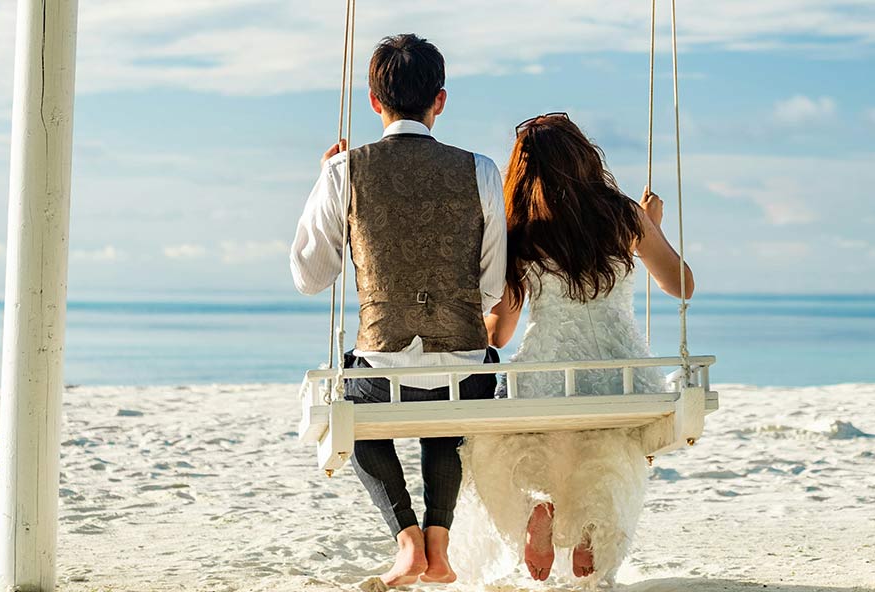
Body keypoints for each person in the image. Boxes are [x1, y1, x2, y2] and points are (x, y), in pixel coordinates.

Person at [289, 33, 506, 587]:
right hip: (465, 370)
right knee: (454, 392)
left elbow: (310, 278)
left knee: (350, 403)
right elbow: (492, 287)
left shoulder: (345, 171)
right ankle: (439, 542)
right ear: (441, 99)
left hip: (382, 373)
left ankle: (407, 542)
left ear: (372, 100)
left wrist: (326, 181)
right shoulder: (480, 170)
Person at [461, 113, 695, 584]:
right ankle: (591, 532)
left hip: (547, 371)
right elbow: (682, 284)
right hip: (623, 373)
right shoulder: (624, 215)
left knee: (488, 448)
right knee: (616, 448)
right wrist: (651, 229)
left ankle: (534, 507)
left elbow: (500, 334)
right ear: (586, 159)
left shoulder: (521, 232)